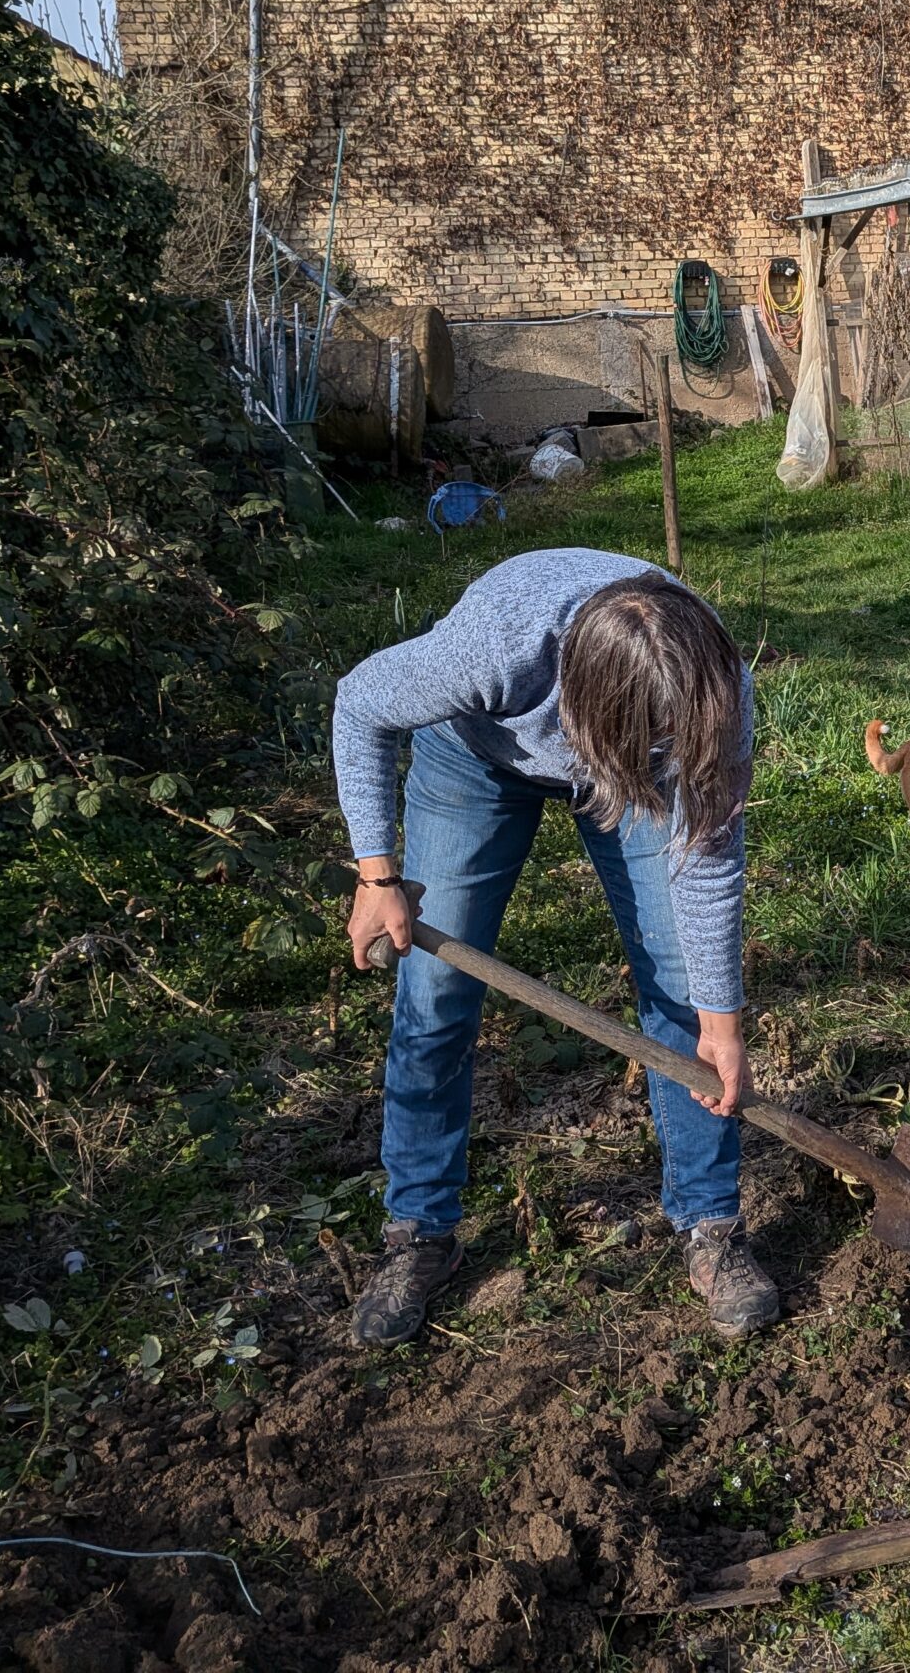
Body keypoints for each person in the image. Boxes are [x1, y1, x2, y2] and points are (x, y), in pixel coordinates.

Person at [332, 548, 779, 1343]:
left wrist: (724, 1025)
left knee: (681, 989)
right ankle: (419, 1232)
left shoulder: (713, 688)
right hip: (477, 758)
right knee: (435, 996)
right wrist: (377, 875)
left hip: (626, 755)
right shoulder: (495, 644)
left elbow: (707, 869)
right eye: (654, 737)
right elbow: (362, 702)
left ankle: (711, 1226)